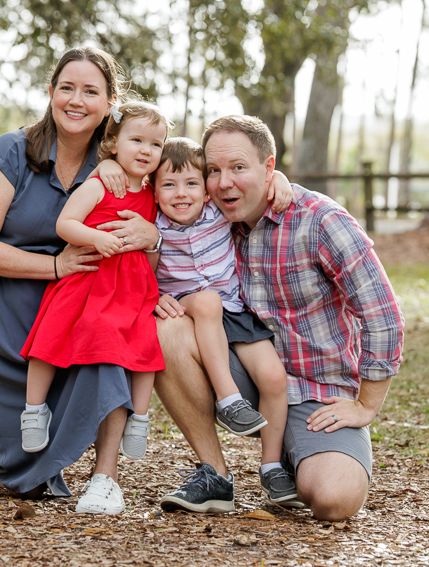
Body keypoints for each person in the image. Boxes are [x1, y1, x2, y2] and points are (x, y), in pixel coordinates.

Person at [154, 116, 405, 520]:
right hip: (245, 378)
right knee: (166, 330)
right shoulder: (210, 215)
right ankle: (215, 473)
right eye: (214, 171)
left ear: (268, 169)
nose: (223, 183)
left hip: (316, 394)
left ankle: (293, 458)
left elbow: (383, 315)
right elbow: (150, 174)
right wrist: (158, 296)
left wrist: (367, 405)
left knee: (333, 498)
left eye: (238, 167)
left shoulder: (321, 221)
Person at [0, 46, 161, 516]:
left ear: (110, 102)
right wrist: (53, 267)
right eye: (66, 88)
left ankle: (105, 477)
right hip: (6, 310)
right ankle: (38, 438)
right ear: (50, 93)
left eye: (91, 91)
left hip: (86, 302)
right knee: (25, 479)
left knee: (109, 343)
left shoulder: (119, 161)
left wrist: (152, 238)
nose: (76, 100)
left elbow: (188, 186)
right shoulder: (12, 151)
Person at [20, 101, 171, 474]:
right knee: (50, 339)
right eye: (136, 140)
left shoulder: (155, 192)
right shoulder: (101, 183)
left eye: (155, 144)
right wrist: (93, 238)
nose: (146, 150)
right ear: (113, 143)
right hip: (89, 278)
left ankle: (139, 417)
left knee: (144, 346)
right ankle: (34, 409)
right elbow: (65, 223)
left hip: (131, 287)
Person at [150, 138, 301, 510]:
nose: (181, 194)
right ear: (152, 192)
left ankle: (271, 466)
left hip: (235, 311)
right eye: (168, 185)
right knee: (205, 301)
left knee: (273, 378)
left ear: (205, 191)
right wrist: (150, 296)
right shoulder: (151, 226)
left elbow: (252, 187)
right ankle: (228, 398)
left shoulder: (217, 211)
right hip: (188, 308)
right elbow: (137, 270)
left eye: (191, 184)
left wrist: (279, 177)